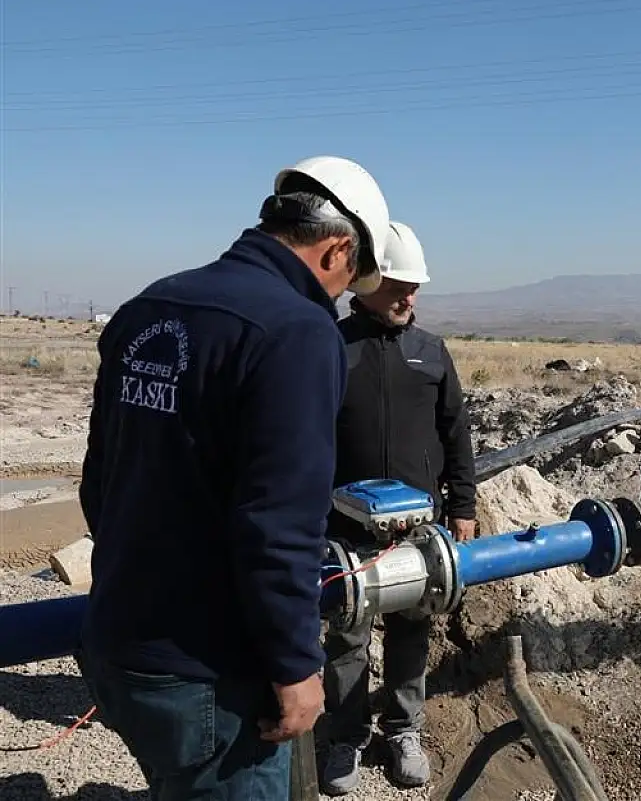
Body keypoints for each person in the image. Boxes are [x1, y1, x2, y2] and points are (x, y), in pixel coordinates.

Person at [76, 156, 397, 800]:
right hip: (208, 674)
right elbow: (279, 521)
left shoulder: (152, 303)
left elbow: (98, 481)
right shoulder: (298, 331)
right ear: (337, 249)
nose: (338, 299)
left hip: (117, 644)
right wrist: (295, 663)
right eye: (347, 282)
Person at [321, 221, 478, 794]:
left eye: (414, 287)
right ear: (364, 284)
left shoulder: (431, 352)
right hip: (344, 526)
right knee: (346, 633)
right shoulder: (333, 348)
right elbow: (309, 440)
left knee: (412, 629)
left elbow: (456, 435)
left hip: (417, 526)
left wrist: (462, 505)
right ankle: (345, 736)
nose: (407, 297)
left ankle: (403, 729)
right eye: (396, 286)